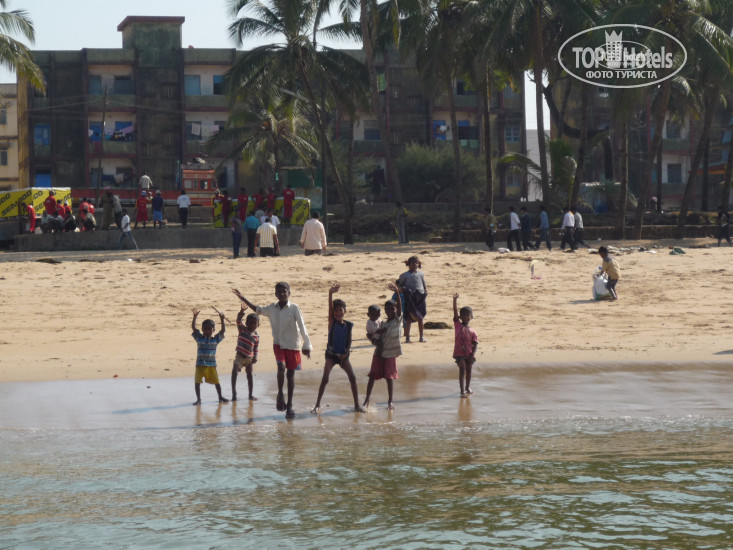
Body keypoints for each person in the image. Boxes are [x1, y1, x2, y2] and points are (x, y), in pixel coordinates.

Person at [232, 282, 312, 419]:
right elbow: (257, 309)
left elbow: (302, 327)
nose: (282, 294)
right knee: (281, 368)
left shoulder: (294, 308)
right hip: (278, 345)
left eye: (284, 291)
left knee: (290, 375)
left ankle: (290, 406)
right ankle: (280, 393)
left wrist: (307, 345)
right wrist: (243, 298)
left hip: (293, 345)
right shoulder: (272, 308)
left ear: (289, 293)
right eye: (279, 292)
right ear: (275, 294)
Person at [311, 283, 366, 414]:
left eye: (340, 310)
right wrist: (330, 293)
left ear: (345, 311)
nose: (338, 313)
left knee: (352, 377)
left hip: (343, 355)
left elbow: (349, 340)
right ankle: (317, 405)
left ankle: (357, 405)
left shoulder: (348, 325)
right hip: (331, 355)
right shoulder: (332, 323)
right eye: (335, 311)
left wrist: (346, 353)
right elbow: (329, 310)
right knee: (325, 378)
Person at [363, 282, 403, 411]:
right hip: (379, 353)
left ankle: (390, 402)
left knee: (389, 378)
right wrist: (371, 338)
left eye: (392, 309)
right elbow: (375, 336)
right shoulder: (383, 324)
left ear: (396, 310)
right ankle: (366, 400)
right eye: (388, 309)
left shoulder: (397, 321)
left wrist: (397, 292)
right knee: (372, 376)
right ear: (384, 311)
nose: (390, 311)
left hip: (390, 354)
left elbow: (400, 308)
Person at [190, 308, 229, 405]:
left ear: (213, 330)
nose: (207, 331)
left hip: (211, 365)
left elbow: (223, 331)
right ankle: (198, 399)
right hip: (200, 365)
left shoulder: (215, 339)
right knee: (197, 382)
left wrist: (222, 319)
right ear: (202, 329)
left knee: (217, 382)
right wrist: (195, 317)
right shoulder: (199, 338)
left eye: (209, 329)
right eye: (205, 329)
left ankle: (220, 396)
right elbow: (194, 328)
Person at [230, 304, 259, 402]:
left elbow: (256, 347)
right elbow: (238, 320)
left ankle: (250, 395)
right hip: (239, 357)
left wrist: (255, 357)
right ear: (246, 323)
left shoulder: (256, 336)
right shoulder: (242, 329)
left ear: (258, 325)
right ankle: (234, 393)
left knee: (250, 375)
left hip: (249, 359)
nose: (252, 325)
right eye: (250, 323)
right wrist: (242, 311)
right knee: (235, 372)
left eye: (255, 323)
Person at [452, 293, 478, 397]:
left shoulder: (472, 330)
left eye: (468, 315)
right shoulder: (458, 325)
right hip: (459, 352)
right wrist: (455, 301)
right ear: (460, 317)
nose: (466, 317)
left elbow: (475, 343)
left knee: (469, 370)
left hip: (469, 353)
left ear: (471, 317)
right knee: (462, 370)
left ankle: (467, 387)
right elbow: (455, 313)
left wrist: (473, 354)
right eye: (464, 315)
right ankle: (462, 391)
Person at [398, 255, 427, 343]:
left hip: (420, 298)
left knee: (420, 318)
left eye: (416, 263)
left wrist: (425, 292)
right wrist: (403, 290)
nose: (414, 264)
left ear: (419, 264)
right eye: (412, 263)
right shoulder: (404, 275)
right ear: (408, 264)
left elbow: (423, 284)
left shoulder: (421, 274)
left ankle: (421, 337)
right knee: (409, 319)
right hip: (410, 298)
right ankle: (407, 338)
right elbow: (399, 287)